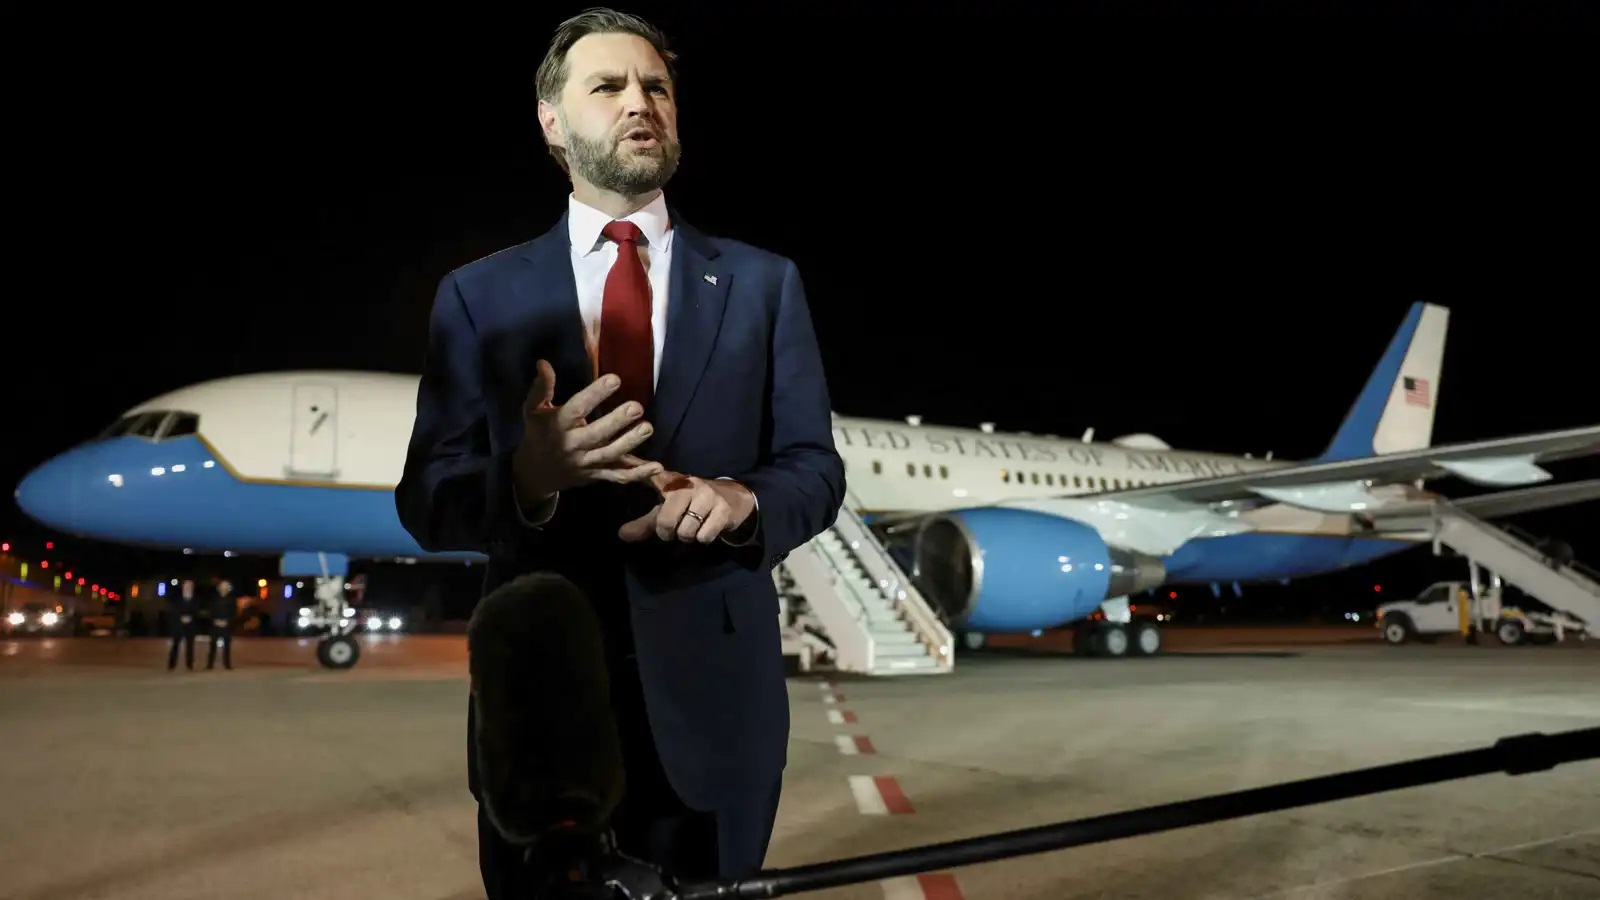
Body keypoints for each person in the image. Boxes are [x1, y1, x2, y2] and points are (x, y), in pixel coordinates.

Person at [393, 8, 845, 898]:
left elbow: (815, 469)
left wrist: (743, 502)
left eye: (657, 87)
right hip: (543, 715)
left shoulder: (763, 284)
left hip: (717, 709)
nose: (641, 103)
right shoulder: (478, 296)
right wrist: (528, 478)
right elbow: (427, 499)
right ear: (551, 122)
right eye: (608, 86)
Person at [166, 578, 199, 671]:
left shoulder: (196, 599)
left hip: (191, 625)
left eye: (190, 586)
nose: (188, 587)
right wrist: (181, 618)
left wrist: (190, 617)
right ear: (183, 586)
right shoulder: (177, 599)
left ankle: (189, 664)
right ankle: (172, 664)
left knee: (190, 645)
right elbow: (173, 610)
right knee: (175, 645)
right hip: (178, 625)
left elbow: (197, 611)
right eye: (186, 585)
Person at [204, 578, 236, 670]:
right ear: (219, 588)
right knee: (212, 645)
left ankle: (227, 664)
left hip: (226, 625)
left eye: (226, 586)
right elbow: (209, 612)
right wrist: (215, 621)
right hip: (215, 625)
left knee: (227, 646)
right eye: (222, 586)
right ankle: (210, 664)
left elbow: (234, 613)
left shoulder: (232, 599)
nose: (224, 588)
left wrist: (227, 621)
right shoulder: (213, 599)